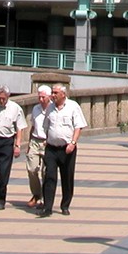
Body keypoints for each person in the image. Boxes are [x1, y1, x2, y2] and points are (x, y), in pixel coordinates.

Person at [38, 84, 86, 217]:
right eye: (52, 92)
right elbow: (46, 126)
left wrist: (73, 143)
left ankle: (65, 205)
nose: (52, 95)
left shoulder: (73, 106)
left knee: (67, 177)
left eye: (55, 93)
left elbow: (78, 127)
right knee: (49, 176)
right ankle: (47, 208)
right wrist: (46, 140)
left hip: (67, 149)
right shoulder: (50, 109)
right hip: (52, 148)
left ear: (63, 94)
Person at [25, 85, 52, 209]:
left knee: (45, 172)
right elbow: (33, 127)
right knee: (31, 169)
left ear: (49, 97)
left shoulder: (53, 109)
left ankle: (45, 199)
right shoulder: (35, 109)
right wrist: (29, 143)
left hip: (48, 142)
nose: (40, 99)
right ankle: (36, 194)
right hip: (35, 141)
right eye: (39, 97)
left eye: (43, 97)